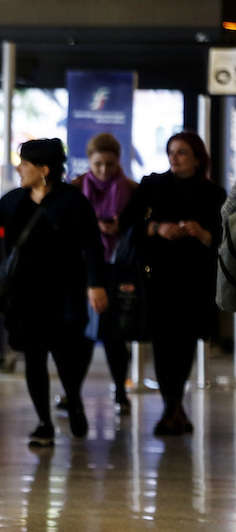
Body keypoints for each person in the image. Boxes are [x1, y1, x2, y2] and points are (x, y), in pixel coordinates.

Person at [0, 138, 107, 447]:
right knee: (34, 357)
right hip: (27, 293)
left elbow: (92, 244)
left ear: (44, 170)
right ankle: (44, 423)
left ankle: (74, 400)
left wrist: (95, 285)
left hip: (65, 292)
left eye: (24, 164)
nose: (19, 169)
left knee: (67, 355)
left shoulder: (72, 201)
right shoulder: (16, 199)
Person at [119, 132, 225, 436]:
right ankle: (172, 405)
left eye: (182, 152)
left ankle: (175, 404)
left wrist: (204, 234)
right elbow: (127, 223)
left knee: (186, 341)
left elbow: (224, 236)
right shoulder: (154, 185)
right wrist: (157, 228)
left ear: (197, 158)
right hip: (158, 277)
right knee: (164, 342)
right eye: (171, 152)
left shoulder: (213, 193)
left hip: (195, 279)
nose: (174, 158)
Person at [69, 133, 137, 415]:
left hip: (117, 267)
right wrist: (94, 227)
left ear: (118, 161)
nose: (104, 170)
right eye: (98, 164)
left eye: (110, 164)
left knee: (113, 334)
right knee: (81, 334)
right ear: (89, 162)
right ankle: (72, 393)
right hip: (83, 268)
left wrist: (121, 228)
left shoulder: (130, 190)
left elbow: (139, 228)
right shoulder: (76, 188)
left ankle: (120, 390)